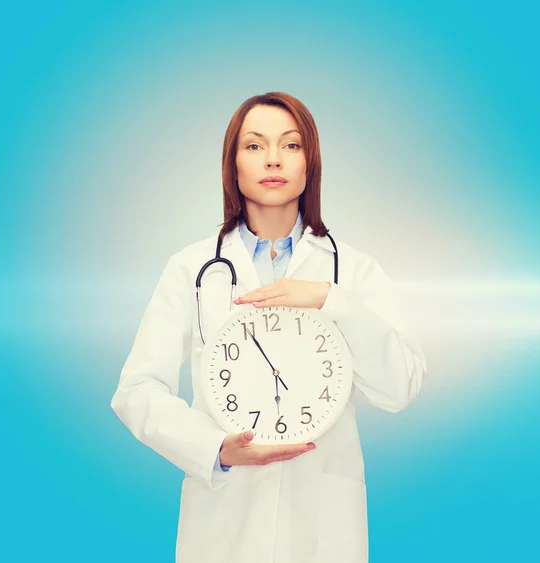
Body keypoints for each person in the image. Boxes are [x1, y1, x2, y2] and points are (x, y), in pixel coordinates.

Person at [110, 92, 427, 563]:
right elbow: (136, 390)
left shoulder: (353, 272)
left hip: (323, 525)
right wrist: (214, 447)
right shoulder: (193, 268)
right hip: (223, 519)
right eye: (255, 146)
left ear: (309, 163)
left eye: (291, 145)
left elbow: (401, 386)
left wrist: (330, 299)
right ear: (232, 164)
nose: (273, 159)